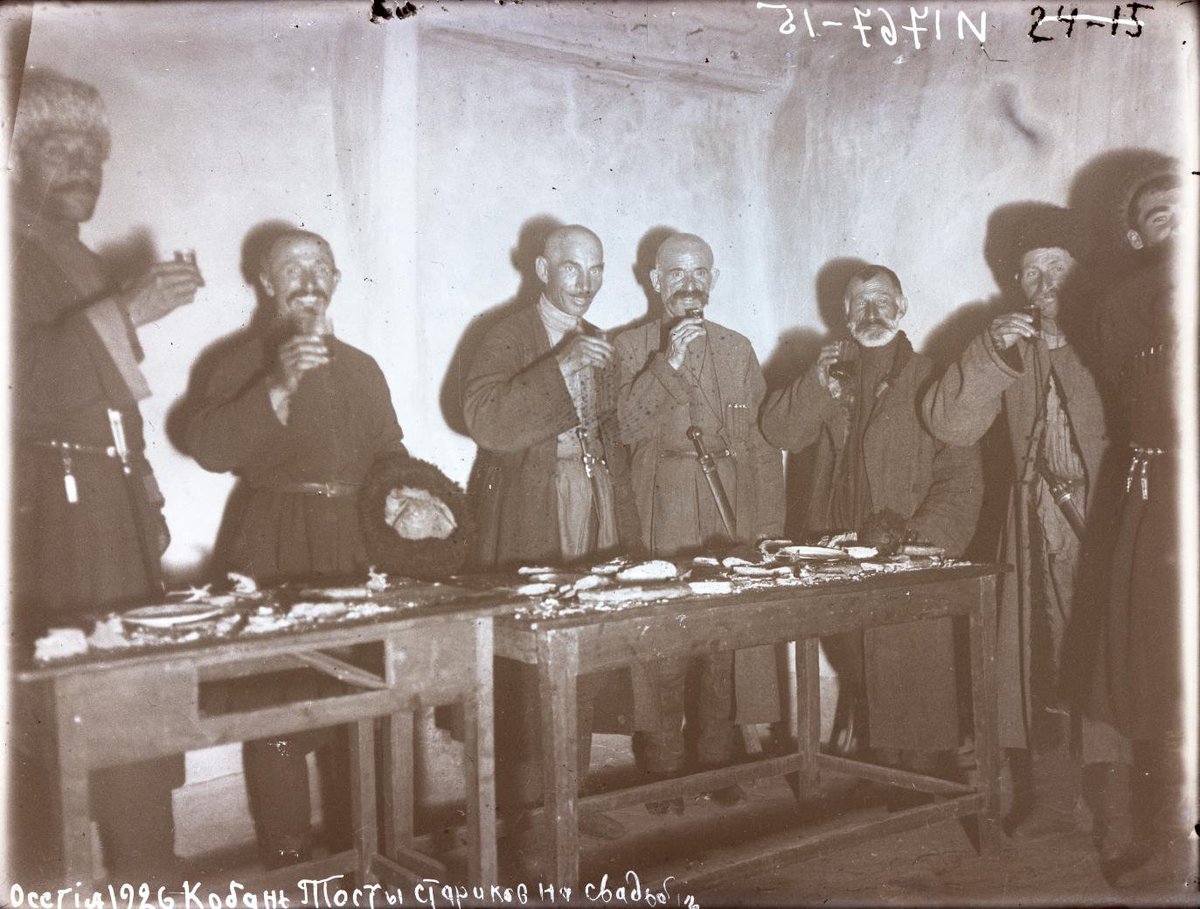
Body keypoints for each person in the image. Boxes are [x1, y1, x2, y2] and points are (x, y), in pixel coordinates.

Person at [184, 228, 451, 866]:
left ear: (334, 279)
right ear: (267, 283)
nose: (308, 278)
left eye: (319, 267)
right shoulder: (239, 360)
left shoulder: (360, 366)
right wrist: (274, 387)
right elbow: (210, 448)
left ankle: (383, 850)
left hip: (360, 548)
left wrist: (420, 497)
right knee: (280, 706)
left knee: (375, 699)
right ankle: (290, 860)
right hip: (276, 545)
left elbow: (389, 451)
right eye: (291, 268)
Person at [9, 68, 202, 883]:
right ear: (14, 160)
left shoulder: (77, 258)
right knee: (52, 727)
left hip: (109, 513)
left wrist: (145, 501)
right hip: (43, 524)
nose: (81, 163)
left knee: (133, 710)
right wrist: (126, 313)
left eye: (93, 148)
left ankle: (147, 878)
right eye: (57, 145)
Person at [921, 205, 1129, 837]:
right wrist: (989, 354)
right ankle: (1050, 800)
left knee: (1110, 660)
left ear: (1082, 273)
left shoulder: (1113, 327)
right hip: (1033, 531)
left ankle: (1120, 805)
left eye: (1055, 268)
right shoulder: (1001, 342)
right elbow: (948, 424)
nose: (1042, 283)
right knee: (1038, 660)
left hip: (1108, 524)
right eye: (1030, 271)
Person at [761, 264, 982, 788]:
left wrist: (923, 541)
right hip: (833, 550)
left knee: (914, 667)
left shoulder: (931, 375)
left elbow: (961, 476)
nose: (872, 313)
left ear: (902, 308)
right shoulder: (829, 373)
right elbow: (779, 432)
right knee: (857, 659)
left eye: (884, 301)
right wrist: (815, 383)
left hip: (904, 549)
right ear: (845, 313)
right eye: (861, 303)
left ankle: (924, 775)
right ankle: (884, 766)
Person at [462, 224, 641, 836]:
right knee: (534, 661)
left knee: (585, 651)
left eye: (596, 270)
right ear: (541, 268)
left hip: (595, 508)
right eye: (572, 268)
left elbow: (611, 431)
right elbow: (485, 421)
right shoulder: (505, 334)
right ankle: (534, 814)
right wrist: (558, 367)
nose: (586, 282)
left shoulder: (596, 339)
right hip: (535, 511)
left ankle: (574, 799)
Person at [614, 232, 783, 813]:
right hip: (661, 504)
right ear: (655, 281)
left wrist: (766, 530)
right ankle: (662, 767)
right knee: (664, 638)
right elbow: (623, 432)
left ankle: (715, 761)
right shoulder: (631, 347)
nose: (689, 284)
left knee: (721, 640)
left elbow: (761, 444)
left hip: (727, 504)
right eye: (677, 274)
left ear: (712, 280)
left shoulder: (737, 349)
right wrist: (670, 365)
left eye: (700, 273)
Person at [1086, 168, 1191, 886]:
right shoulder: (1125, 301)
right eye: (1160, 216)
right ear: (1135, 234)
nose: (1178, 223)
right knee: (1141, 666)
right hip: (1159, 500)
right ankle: (1142, 828)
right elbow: (1137, 387)